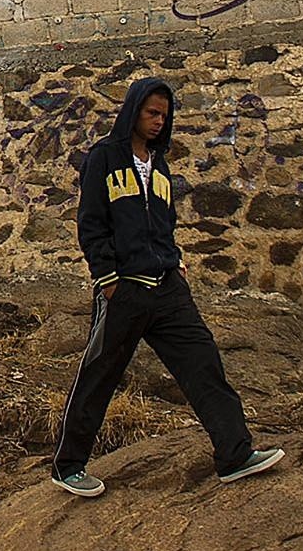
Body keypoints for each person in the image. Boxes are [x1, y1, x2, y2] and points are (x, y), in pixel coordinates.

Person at [49, 76, 283, 496]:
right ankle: (68, 466)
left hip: (168, 288)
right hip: (124, 291)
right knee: (100, 374)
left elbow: (164, 221)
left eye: (165, 115)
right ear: (134, 111)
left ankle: (234, 454)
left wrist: (174, 262)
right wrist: (107, 280)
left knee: (203, 363)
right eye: (151, 113)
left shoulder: (159, 164)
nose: (159, 122)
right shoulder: (104, 158)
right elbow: (91, 224)